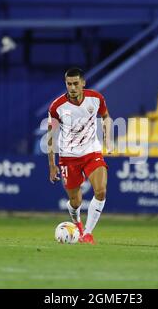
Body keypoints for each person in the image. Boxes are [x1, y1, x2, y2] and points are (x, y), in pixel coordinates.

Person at [47, 67, 112, 245]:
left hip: (92, 152)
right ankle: (78, 223)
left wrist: (108, 136)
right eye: (69, 84)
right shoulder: (56, 107)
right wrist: (52, 165)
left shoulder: (96, 98)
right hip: (68, 157)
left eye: (76, 83)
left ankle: (88, 234)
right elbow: (50, 136)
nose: (73, 87)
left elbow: (106, 117)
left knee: (101, 190)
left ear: (83, 83)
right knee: (75, 202)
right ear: (66, 84)